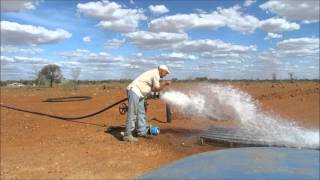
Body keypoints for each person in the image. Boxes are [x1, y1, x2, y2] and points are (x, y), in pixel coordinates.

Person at [123, 65, 171, 142]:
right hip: (135, 91)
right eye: (166, 73)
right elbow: (156, 89)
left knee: (141, 113)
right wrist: (164, 84)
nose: (166, 75)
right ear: (161, 70)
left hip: (140, 94)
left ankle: (141, 131)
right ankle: (127, 135)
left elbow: (152, 89)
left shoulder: (154, 73)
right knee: (133, 112)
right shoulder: (156, 74)